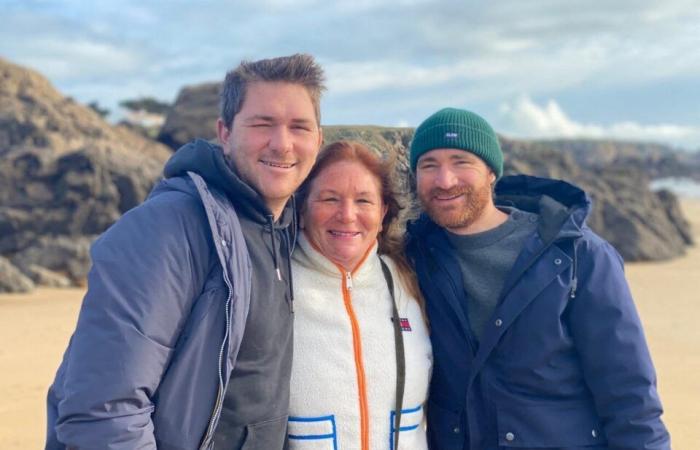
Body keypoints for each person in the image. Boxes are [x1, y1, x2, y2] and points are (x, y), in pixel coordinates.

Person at [45, 54, 325, 449]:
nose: (282, 143)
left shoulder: (286, 232)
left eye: (299, 127)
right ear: (224, 133)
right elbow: (105, 411)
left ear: (318, 139)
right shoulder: (168, 226)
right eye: (262, 124)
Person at [406, 107, 671, 450]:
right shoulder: (415, 257)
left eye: (461, 161)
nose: (445, 180)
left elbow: (631, 398)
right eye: (429, 165)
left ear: (490, 172)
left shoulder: (577, 255)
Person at [287, 141, 432, 450]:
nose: (347, 215)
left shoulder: (411, 282)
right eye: (330, 198)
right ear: (302, 209)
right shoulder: (272, 284)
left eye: (363, 201)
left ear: (383, 213)